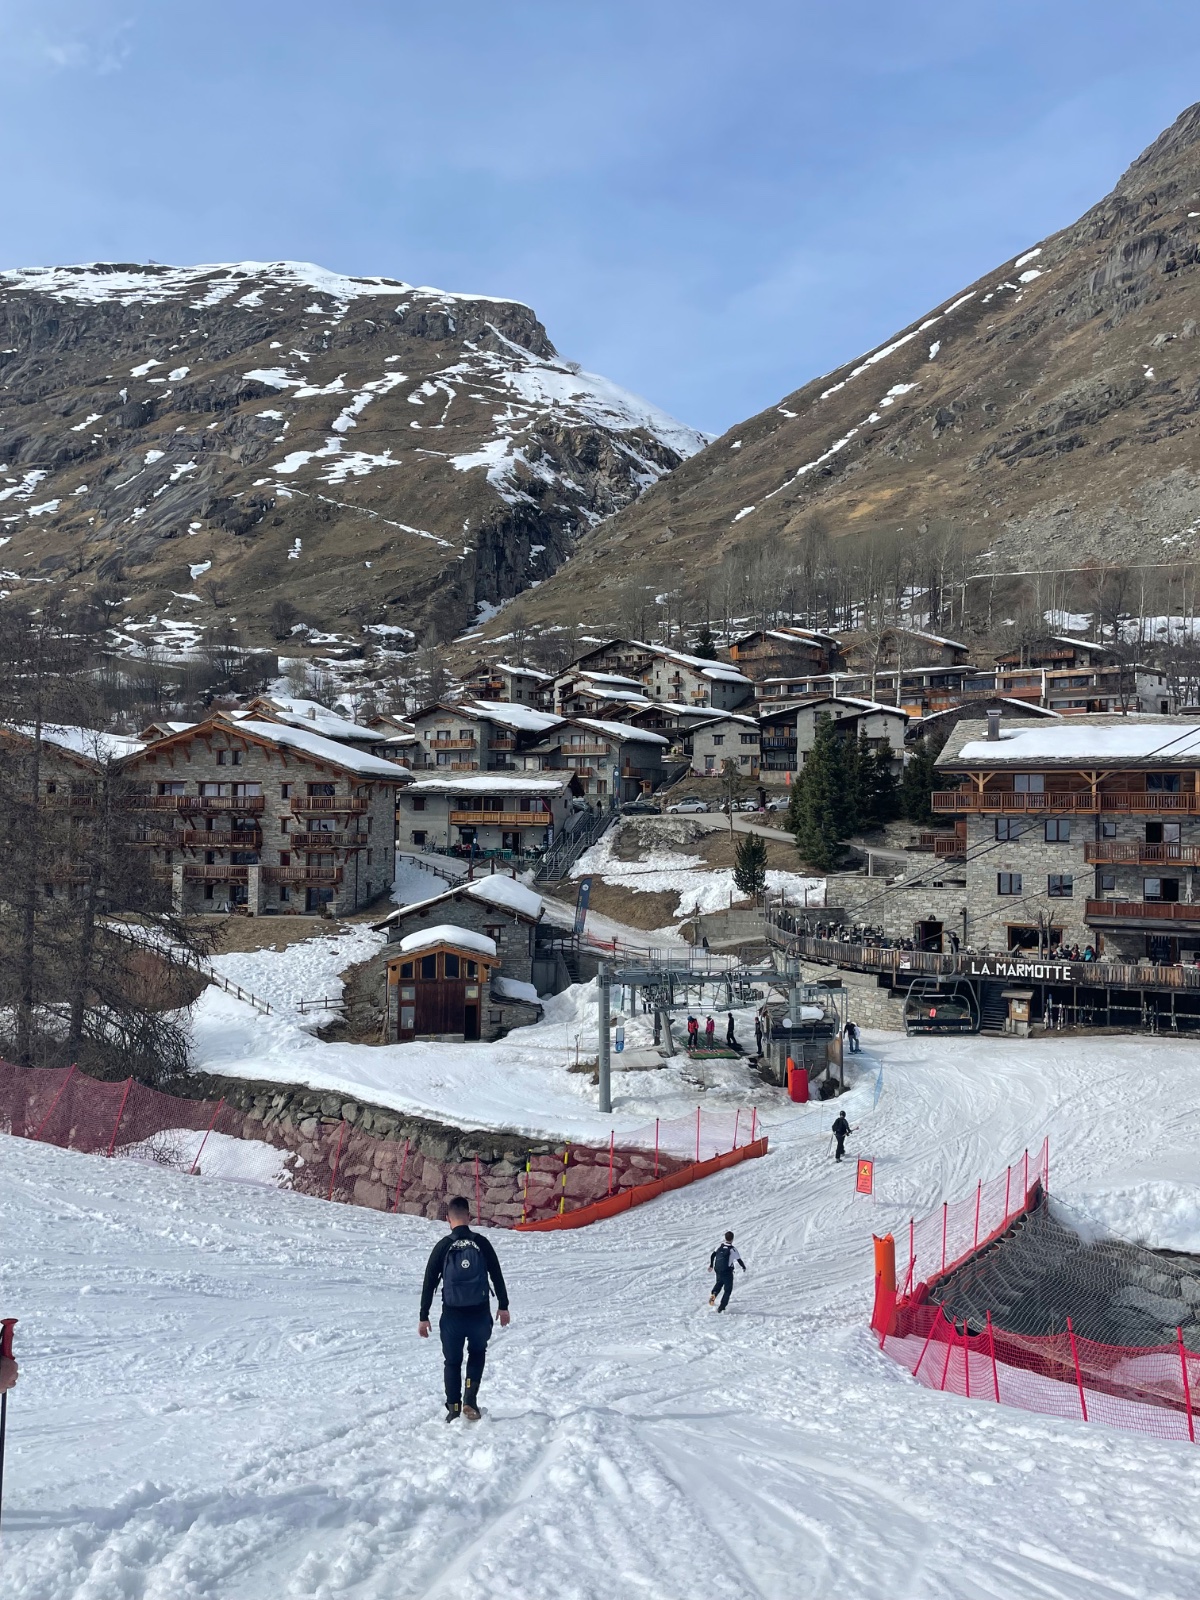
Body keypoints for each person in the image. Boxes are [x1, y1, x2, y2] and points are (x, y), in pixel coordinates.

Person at [419, 1196, 510, 1421]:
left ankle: (453, 1409)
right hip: (479, 1315)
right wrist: (503, 1306)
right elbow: (496, 1275)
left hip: (453, 1316)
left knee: (452, 1362)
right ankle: (470, 1397)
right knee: (477, 1353)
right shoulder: (481, 1243)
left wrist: (424, 1316)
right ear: (469, 1217)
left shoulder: (443, 1246)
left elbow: (429, 1282)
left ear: (447, 1219)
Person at [708, 1230, 746, 1312]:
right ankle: (721, 1307)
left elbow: (713, 1255)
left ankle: (714, 1294)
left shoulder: (719, 1246)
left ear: (725, 1238)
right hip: (727, 1272)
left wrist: (711, 1265)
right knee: (728, 1290)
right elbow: (739, 1260)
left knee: (719, 1283)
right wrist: (743, 1267)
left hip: (718, 1269)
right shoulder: (732, 1249)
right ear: (732, 1239)